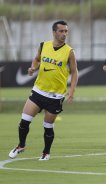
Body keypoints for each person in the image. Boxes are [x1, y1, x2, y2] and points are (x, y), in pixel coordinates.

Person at [8, 20, 78, 160]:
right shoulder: (43, 45)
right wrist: (33, 68)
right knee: (24, 121)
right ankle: (21, 145)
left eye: (66, 31)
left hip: (55, 96)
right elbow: (36, 59)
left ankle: (46, 152)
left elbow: (74, 72)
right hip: (38, 90)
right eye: (61, 31)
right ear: (54, 32)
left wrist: (71, 92)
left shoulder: (69, 52)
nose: (64, 34)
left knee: (48, 126)